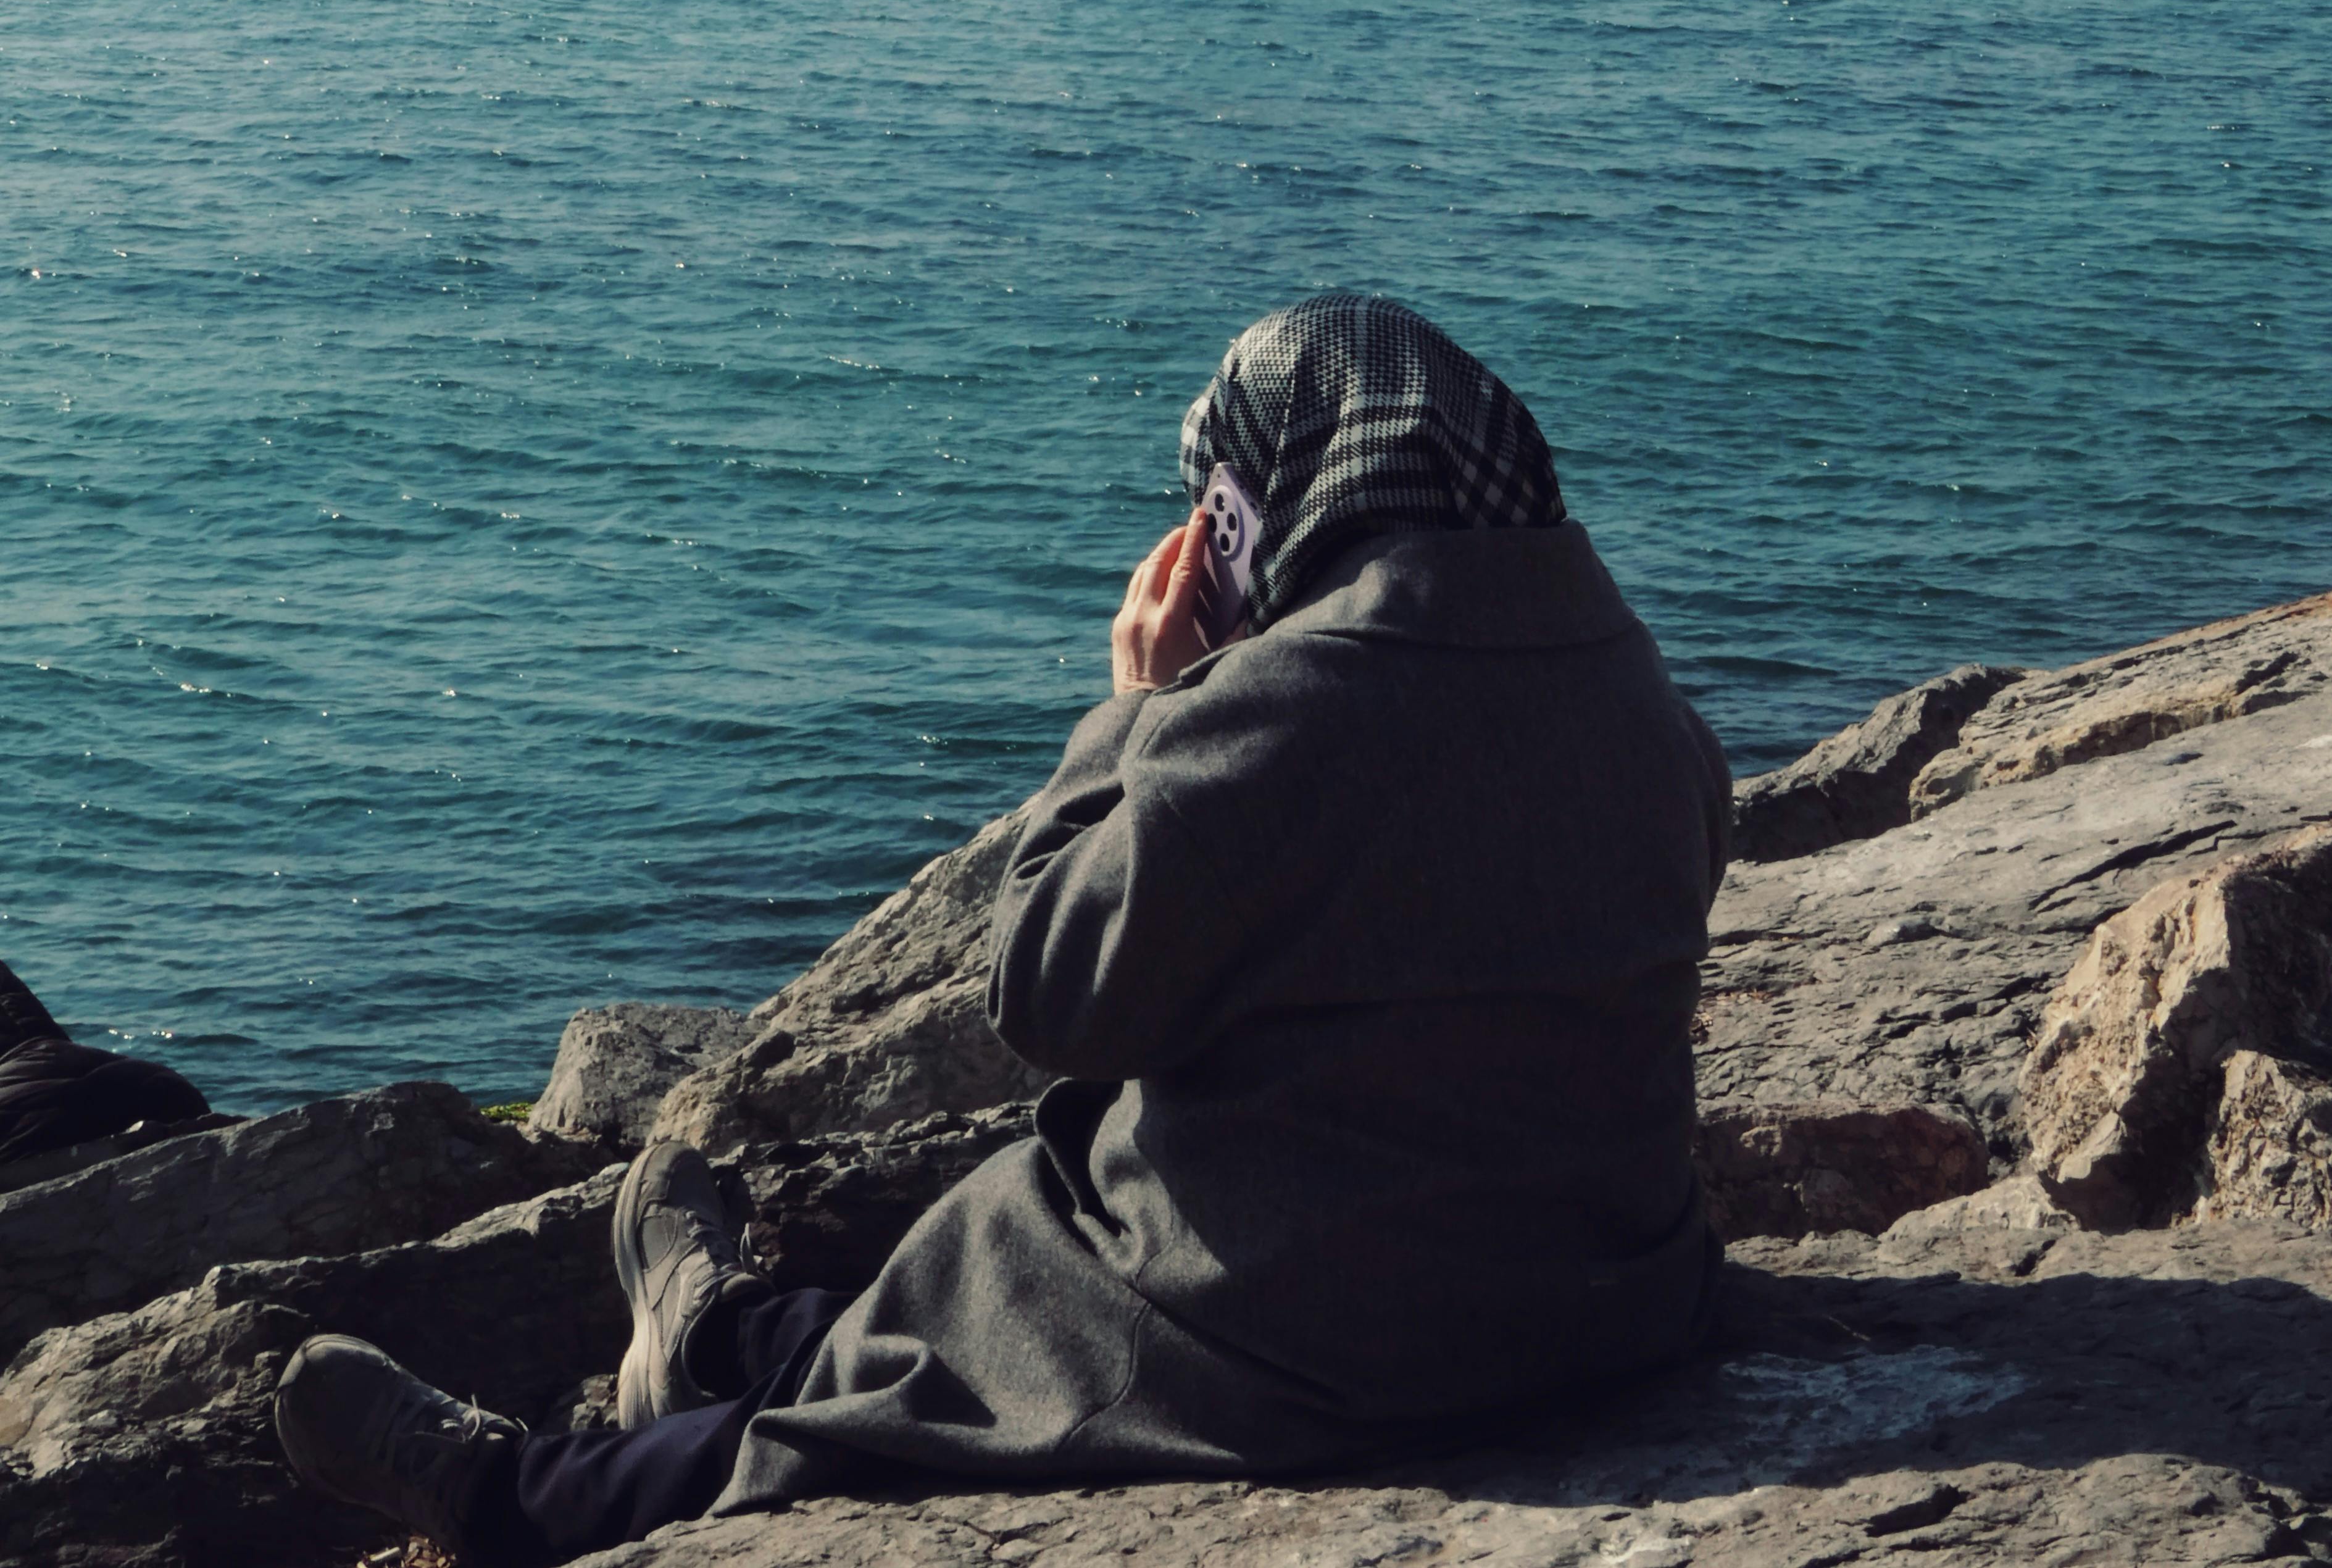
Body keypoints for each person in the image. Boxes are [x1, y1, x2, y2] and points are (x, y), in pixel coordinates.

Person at [274, 294, 1731, 1562]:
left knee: (940, 1369)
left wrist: (1140, 711)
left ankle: (509, 1491)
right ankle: (722, 1334)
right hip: (1606, 1296)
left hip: (1330, 1343)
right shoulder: (1643, 698)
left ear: (1262, 503)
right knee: (982, 1280)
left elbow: (1047, 992)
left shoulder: (1285, 709)